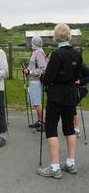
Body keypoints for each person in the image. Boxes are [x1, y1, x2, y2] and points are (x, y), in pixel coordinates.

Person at [37, 23, 82, 179]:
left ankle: (55, 166)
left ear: (56, 37)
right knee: (69, 128)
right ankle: (71, 163)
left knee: (51, 127)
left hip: (56, 96)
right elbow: (80, 74)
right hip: (71, 95)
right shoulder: (77, 54)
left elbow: (48, 77)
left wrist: (43, 78)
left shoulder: (57, 55)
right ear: (68, 36)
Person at [22, 36, 46, 132]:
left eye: (32, 42)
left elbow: (42, 69)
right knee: (35, 102)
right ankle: (40, 121)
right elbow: (33, 67)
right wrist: (27, 70)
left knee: (36, 102)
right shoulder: (36, 52)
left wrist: (30, 72)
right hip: (32, 80)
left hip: (36, 81)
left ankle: (44, 123)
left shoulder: (39, 53)